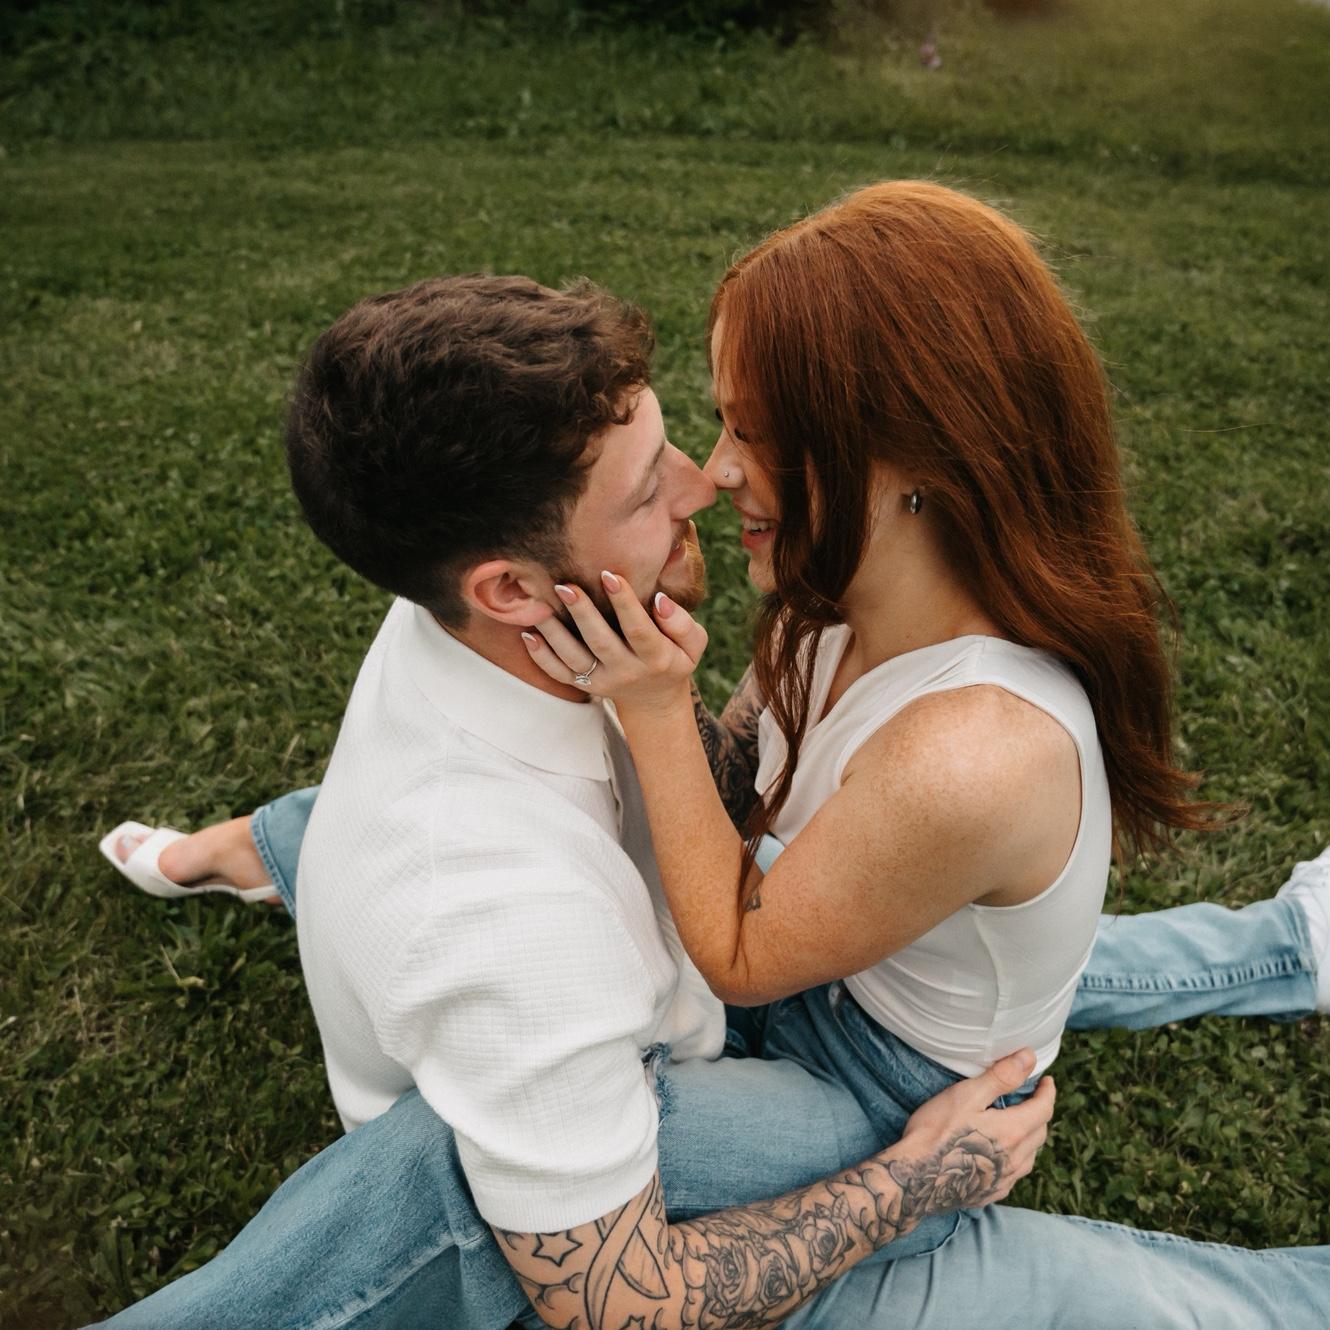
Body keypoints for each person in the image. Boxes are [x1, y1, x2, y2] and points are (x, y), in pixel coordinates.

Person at [96, 258, 1329, 1330]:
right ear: (511, 590)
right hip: (747, 1040)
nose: (704, 480)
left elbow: (739, 817)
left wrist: (661, 705)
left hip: (794, 990)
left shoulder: (495, 628)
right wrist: (920, 1179)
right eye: (649, 489)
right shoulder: (507, 922)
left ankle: (1290, 944)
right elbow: (623, 1294)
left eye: (707, 436)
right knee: (450, 1169)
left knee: (930, 929)